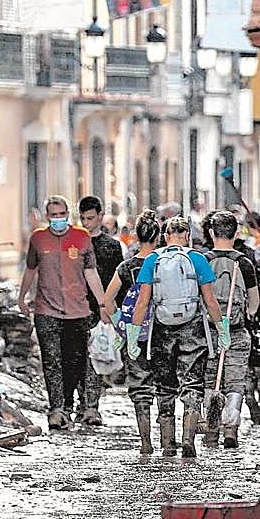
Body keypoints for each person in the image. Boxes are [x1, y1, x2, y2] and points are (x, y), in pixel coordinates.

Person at [127, 217, 227, 459]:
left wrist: (133, 335)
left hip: (162, 329)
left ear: (165, 236)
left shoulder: (153, 259)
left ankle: (167, 443)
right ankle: (188, 438)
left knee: (164, 386)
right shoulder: (197, 259)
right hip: (193, 327)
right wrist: (221, 330)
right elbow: (210, 301)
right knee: (192, 383)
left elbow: (142, 302)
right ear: (187, 236)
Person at [19, 195, 110, 431]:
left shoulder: (81, 238)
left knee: (74, 362)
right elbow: (30, 269)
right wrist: (22, 297)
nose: (58, 219)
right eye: (53, 215)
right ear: (47, 216)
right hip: (46, 310)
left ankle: (71, 405)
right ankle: (57, 410)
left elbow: (91, 273)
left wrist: (102, 304)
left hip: (77, 311)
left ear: (68, 215)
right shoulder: (38, 239)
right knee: (51, 362)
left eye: (62, 215)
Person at [103, 210, 162, 457]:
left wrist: (121, 324)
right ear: (159, 236)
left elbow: (108, 301)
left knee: (140, 387)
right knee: (165, 387)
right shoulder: (164, 263)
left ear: (137, 235)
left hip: (134, 335)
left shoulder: (126, 267)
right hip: (164, 332)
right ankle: (170, 441)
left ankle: (145, 441)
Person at [201, 211, 260, 449]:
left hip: (208, 332)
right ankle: (231, 429)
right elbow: (255, 303)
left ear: (211, 233)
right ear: (236, 233)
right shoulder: (244, 262)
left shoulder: (203, 261)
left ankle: (211, 429)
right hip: (237, 330)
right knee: (235, 381)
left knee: (209, 380)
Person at [76, 196, 126, 426]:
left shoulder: (111, 246)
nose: (87, 223)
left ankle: (91, 406)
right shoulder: (74, 243)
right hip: (76, 306)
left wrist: (114, 309)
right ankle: (80, 403)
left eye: (91, 218)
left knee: (95, 358)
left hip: (101, 309)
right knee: (77, 358)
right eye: (83, 218)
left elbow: (119, 279)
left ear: (100, 215)